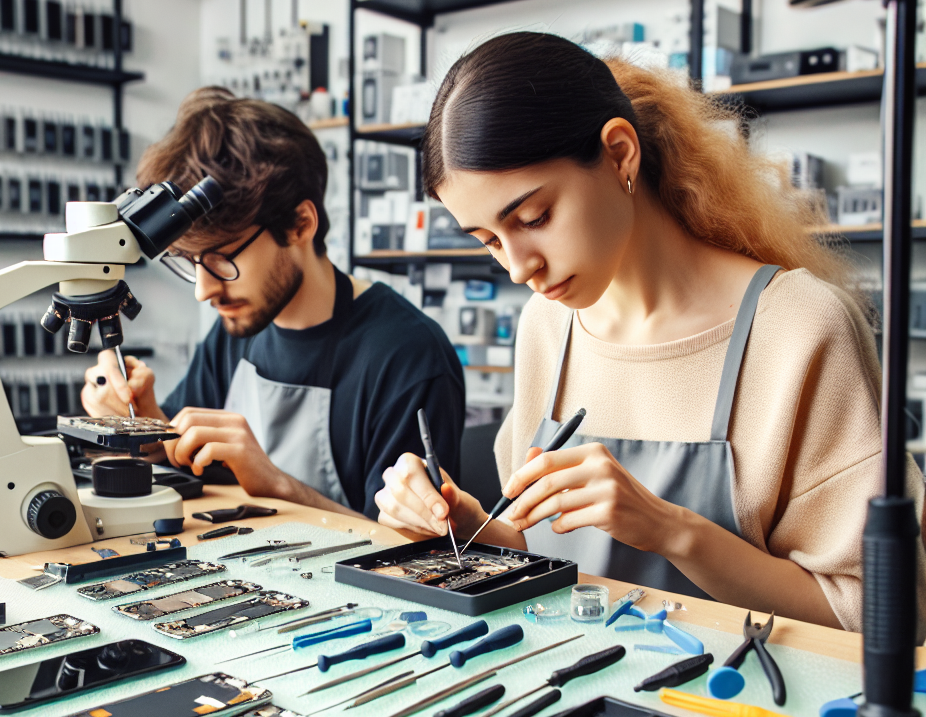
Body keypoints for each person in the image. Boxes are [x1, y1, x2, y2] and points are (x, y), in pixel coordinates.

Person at [375, 31, 926, 633]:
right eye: (487, 240)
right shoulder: (547, 325)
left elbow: (886, 618)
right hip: (572, 700)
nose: (517, 265)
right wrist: (472, 529)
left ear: (619, 154)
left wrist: (672, 531)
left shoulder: (799, 329)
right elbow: (546, 559)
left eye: (533, 218)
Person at [82, 88, 464, 520]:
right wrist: (143, 420)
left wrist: (275, 483)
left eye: (223, 259)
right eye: (191, 262)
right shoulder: (237, 328)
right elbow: (182, 455)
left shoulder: (408, 357)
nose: (203, 291)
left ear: (300, 224)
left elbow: (413, 558)